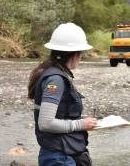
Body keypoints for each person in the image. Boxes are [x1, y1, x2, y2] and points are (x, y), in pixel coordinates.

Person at [28, 23, 97, 166]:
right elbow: (46, 123)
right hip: (59, 157)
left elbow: (60, 114)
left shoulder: (52, 73)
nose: (81, 57)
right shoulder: (56, 80)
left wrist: (84, 122)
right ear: (74, 54)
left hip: (60, 154)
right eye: (81, 53)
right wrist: (81, 124)